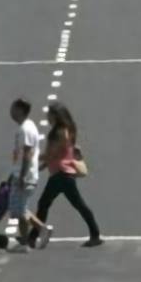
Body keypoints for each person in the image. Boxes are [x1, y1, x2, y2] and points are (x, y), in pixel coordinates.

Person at [32, 102, 102, 248]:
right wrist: (42, 166)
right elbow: (58, 155)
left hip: (61, 175)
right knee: (76, 205)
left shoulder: (59, 132)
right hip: (62, 174)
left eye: (49, 115)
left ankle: (33, 236)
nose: (47, 117)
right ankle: (95, 234)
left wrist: (31, 156)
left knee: (45, 204)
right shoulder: (64, 131)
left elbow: (53, 154)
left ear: (56, 116)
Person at [6, 98, 46, 252]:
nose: (11, 112)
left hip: (25, 175)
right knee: (19, 209)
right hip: (22, 173)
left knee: (20, 211)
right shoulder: (25, 127)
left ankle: (24, 244)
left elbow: (27, 154)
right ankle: (42, 230)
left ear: (20, 110)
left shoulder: (25, 129)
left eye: (13, 108)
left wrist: (22, 176)